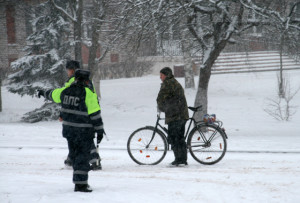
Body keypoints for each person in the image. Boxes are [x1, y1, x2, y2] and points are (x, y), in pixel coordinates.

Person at [44, 69, 104, 192]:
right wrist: (100, 131)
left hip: (69, 132)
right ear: (86, 80)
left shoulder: (65, 91)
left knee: (75, 156)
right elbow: (95, 115)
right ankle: (81, 185)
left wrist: (43, 93)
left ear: (76, 79)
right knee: (82, 158)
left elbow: (53, 94)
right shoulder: (88, 93)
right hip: (83, 132)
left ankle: (79, 180)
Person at [37, 60, 102, 170]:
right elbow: (92, 99)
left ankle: (93, 161)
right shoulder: (87, 81)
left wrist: (45, 93)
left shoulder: (73, 82)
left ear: (72, 70)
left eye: (68, 70)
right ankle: (71, 160)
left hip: (79, 117)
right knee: (79, 139)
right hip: (89, 114)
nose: (67, 72)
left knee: (83, 139)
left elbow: (59, 95)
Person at [156, 67, 189, 166]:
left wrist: (161, 106)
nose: (160, 77)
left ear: (166, 75)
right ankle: (182, 159)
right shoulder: (173, 82)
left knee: (175, 137)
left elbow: (161, 98)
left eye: (161, 75)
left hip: (176, 115)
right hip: (180, 114)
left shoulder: (168, 84)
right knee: (179, 137)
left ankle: (179, 159)